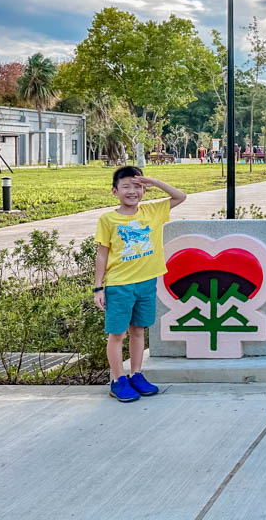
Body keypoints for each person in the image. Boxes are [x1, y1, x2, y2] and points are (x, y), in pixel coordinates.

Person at [94, 166, 186, 402]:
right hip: (119, 285)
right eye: (126, 186)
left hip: (146, 283)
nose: (132, 191)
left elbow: (180, 196)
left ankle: (136, 374)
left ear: (144, 190)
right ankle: (118, 379)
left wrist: (154, 181)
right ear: (115, 191)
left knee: (138, 331)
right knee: (117, 334)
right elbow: (102, 255)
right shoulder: (108, 219)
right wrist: (98, 287)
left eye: (137, 186)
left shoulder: (152, 211)